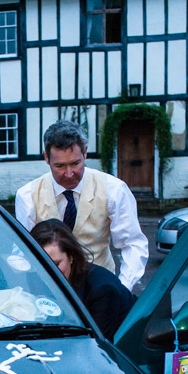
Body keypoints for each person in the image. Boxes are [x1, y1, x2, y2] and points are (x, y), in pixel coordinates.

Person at [14, 120, 148, 292]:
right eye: (60, 166)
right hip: (50, 290)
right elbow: (24, 251)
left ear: (85, 153)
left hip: (101, 288)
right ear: (46, 158)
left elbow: (133, 244)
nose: (69, 174)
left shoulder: (114, 190)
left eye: (75, 164)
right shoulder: (27, 196)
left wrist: (121, 288)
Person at [29, 219, 135, 339]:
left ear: (71, 256)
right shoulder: (34, 278)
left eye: (56, 264)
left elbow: (95, 343)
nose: (48, 272)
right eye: (40, 264)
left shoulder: (102, 289)